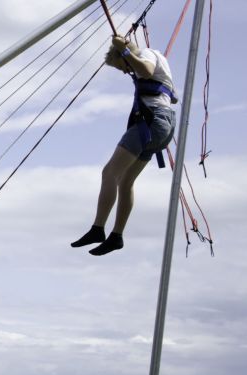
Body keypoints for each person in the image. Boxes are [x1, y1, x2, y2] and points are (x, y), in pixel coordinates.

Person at [71, 35, 177, 256]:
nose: (125, 72)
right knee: (126, 182)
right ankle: (116, 236)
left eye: (122, 67)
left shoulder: (147, 54)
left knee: (109, 172)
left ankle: (97, 228)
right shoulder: (159, 63)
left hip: (152, 122)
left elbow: (146, 70)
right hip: (162, 128)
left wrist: (125, 51)